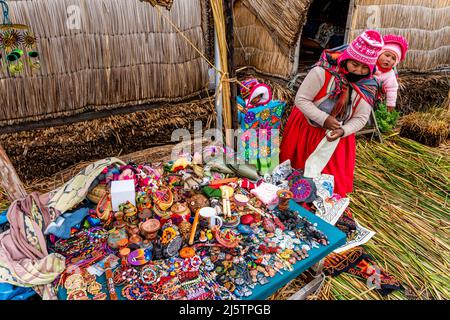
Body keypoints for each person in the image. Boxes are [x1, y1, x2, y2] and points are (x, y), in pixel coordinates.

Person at [280, 30, 384, 196]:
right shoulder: (322, 72)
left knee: (327, 187)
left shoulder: (369, 85)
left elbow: (361, 117)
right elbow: (301, 100)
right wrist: (324, 119)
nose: (358, 71)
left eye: (365, 68)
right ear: (346, 59)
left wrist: (344, 130)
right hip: (307, 129)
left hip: (336, 139)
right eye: (354, 65)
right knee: (294, 176)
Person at [375, 34, 409, 112]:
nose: (389, 59)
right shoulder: (371, 63)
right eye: (387, 55)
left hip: (373, 97)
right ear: (379, 53)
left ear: (395, 62)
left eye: (393, 58)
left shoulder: (390, 75)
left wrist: (390, 106)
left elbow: (392, 90)